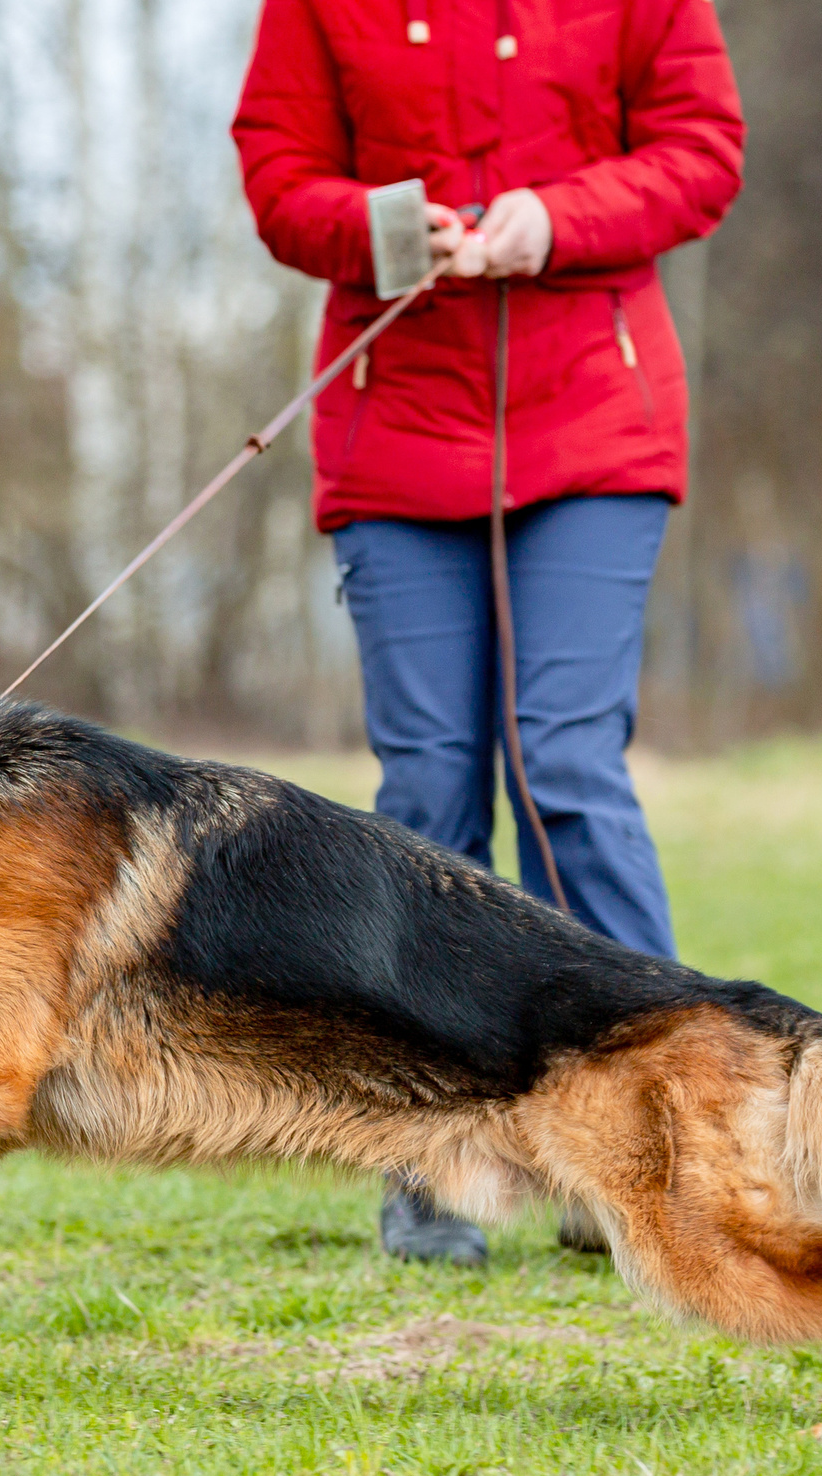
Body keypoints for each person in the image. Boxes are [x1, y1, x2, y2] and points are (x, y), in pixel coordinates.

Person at [232, 0, 746, 1264]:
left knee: (561, 761)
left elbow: (701, 152)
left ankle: (651, 1142)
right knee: (429, 790)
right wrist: (386, 228)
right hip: (396, 437)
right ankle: (432, 1156)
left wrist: (556, 219)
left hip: (596, 426)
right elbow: (279, 179)